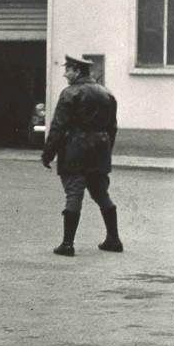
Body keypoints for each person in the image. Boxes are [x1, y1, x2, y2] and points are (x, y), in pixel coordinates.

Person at [42, 55, 122, 257]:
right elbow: (112, 128)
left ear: (77, 71)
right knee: (101, 193)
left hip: (75, 151)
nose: (65, 73)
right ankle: (114, 239)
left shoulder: (70, 93)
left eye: (68, 69)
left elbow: (59, 126)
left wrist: (48, 153)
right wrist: (106, 150)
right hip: (100, 151)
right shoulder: (107, 93)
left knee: (74, 194)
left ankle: (67, 244)